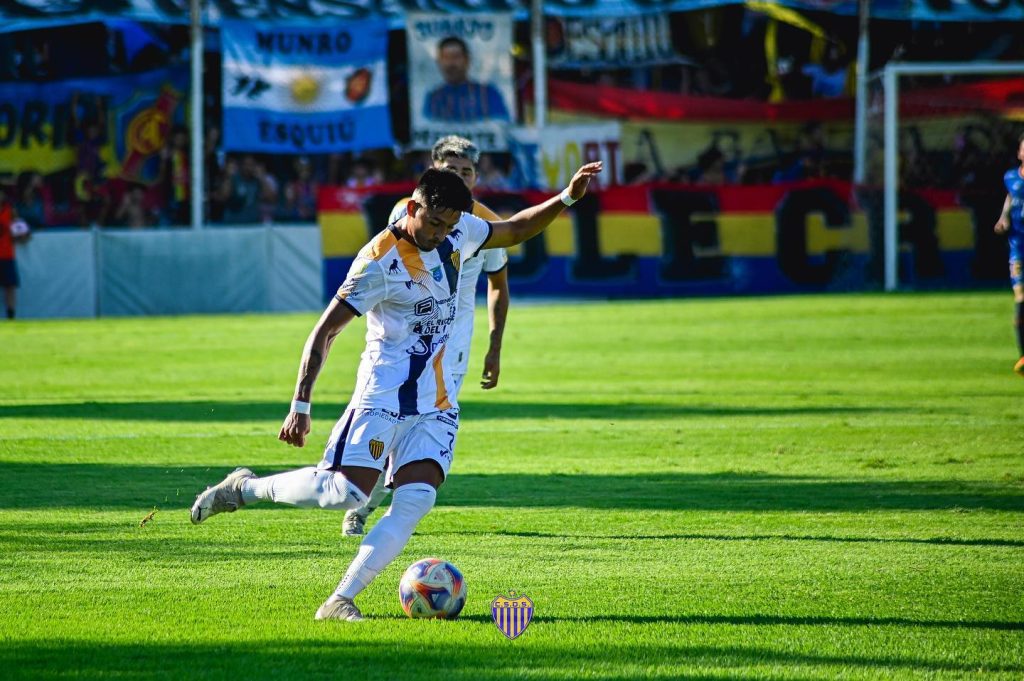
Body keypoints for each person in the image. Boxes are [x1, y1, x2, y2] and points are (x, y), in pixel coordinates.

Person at [190, 161, 602, 622]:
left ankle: (339, 600)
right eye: (433, 222)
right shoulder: (378, 261)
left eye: (448, 225)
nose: (439, 233)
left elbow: (515, 229)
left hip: (437, 401)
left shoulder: (460, 231)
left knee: (416, 499)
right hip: (383, 396)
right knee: (347, 493)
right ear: (412, 208)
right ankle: (244, 489)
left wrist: (567, 198)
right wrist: (300, 403)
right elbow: (324, 332)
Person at [341, 135, 511, 536]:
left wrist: (495, 347)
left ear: (476, 177)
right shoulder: (407, 212)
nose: (461, 177)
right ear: (434, 170)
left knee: (417, 432)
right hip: (405, 341)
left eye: (468, 171)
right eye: (452, 170)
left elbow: (498, 285)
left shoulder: (485, 225)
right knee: (390, 424)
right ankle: (364, 507)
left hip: (452, 349)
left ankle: (377, 511)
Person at [423, 36, 509, 123]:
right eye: (445, 58)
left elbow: (501, 125)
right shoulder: (434, 98)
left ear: (467, 60)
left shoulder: (488, 94)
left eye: (456, 57)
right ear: (439, 62)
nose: (451, 63)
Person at [994, 132, 1024, 376]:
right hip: (1018, 247)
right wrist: (1004, 217)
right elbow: (1011, 197)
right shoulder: (1011, 177)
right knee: (1021, 300)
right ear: (1019, 153)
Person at [0, 185, 29, 320]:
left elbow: (23, 233)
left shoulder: (10, 211)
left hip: (7, 256)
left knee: (10, 287)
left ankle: (11, 316)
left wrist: (21, 235)